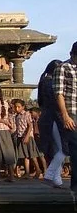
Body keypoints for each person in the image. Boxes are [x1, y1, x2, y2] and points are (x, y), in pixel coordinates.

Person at [53, 42, 77, 191]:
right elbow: (58, 93)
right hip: (72, 111)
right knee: (76, 147)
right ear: (72, 54)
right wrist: (65, 116)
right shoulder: (63, 68)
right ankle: (75, 185)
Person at [39, 59, 65, 187]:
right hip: (54, 118)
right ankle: (50, 174)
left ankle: (57, 179)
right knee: (63, 148)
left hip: (46, 117)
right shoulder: (50, 82)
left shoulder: (43, 81)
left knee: (56, 149)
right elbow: (56, 101)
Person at [11, 99, 40, 179]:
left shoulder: (26, 114)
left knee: (32, 155)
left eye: (19, 107)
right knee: (25, 155)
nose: (17, 109)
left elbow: (30, 126)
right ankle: (27, 172)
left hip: (28, 137)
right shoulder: (17, 116)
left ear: (23, 107)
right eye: (16, 107)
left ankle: (38, 169)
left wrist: (27, 136)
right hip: (20, 136)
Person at [29, 107, 49, 178]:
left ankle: (45, 170)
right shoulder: (33, 120)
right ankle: (38, 170)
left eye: (32, 112)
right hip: (35, 137)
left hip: (39, 138)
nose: (31, 114)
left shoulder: (41, 120)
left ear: (37, 113)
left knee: (41, 155)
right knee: (35, 155)